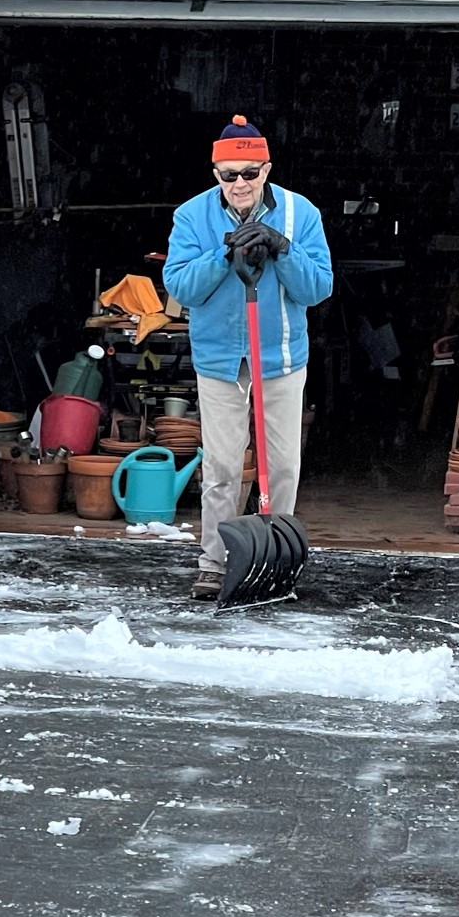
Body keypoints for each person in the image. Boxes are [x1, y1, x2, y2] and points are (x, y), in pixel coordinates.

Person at [162, 115, 333, 598]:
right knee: (220, 466)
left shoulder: (302, 214)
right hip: (220, 361)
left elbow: (318, 287)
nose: (241, 183)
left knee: (282, 466)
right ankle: (215, 564)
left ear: (267, 169)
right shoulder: (192, 217)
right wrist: (221, 256)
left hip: (280, 357)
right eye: (229, 174)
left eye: (251, 172)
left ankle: (275, 559)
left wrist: (283, 249)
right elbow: (180, 288)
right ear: (215, 174)